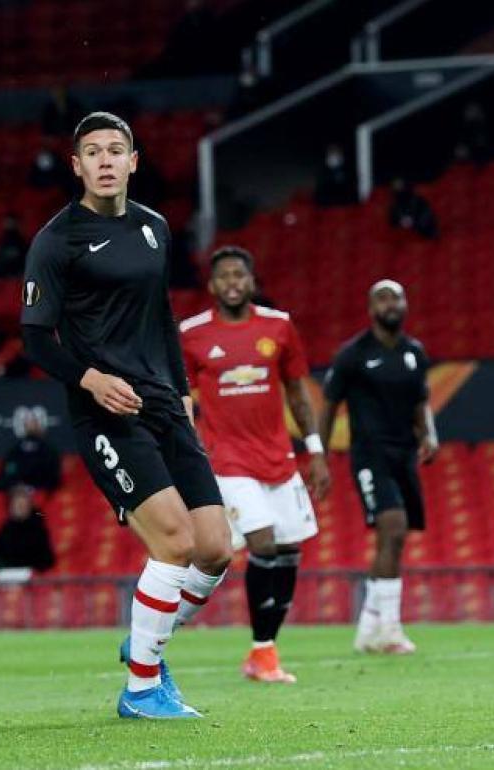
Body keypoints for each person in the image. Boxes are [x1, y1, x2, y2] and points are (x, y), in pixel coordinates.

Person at [20, 112, 231, 719]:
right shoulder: (57, 240)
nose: (106, 160)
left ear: (134, 161)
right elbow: (36, 338)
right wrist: (91, 379)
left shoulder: (155, 229)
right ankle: (141, 688)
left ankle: (147, 638)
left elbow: (161, 318)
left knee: (215, 549)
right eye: (94, 152)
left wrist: (184, 394)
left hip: (164, 402)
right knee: (174, 540)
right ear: (78, 165)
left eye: (117, 150)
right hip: (104, 410)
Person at [179, 246, 329, 683]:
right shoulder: (191, 334)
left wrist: (316, 449)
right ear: (211, 285)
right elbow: (182, 399)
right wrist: (190, 451)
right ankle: (261, 654)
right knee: (262, 544)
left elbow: (299, 392)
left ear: (251, 281)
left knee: (289, 551)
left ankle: (263, 651)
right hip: (227, 460)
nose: (231, 283)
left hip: (279, 458)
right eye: (223, 276)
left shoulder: (279, 326)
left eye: (238, 276)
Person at [319, 280, 437, 654]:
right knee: (394, 528)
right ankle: (390, 630)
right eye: (382, 298)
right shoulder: (353, 354)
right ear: (370, 309)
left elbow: (421, 401)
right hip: (370, 455)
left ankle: (368, 628)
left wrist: (429, 435)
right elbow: (328, 407)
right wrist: (318, 456)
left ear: (405, 304)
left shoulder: (414, 352)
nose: (390, 303)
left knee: (394, 538)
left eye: (396, 297)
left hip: (404, 453)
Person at [0, 485, 55, 573]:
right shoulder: (6, 528)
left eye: (22, 505)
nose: (19, 508)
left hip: (30, 574)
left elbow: (46, 559)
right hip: (7, 574)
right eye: (16, 505)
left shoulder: (38, 527)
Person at [0, 413, 61, 493]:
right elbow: (9, 466)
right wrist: (13, 476)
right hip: (17, 483)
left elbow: (52, 471)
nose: (31, 426)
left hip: (40, 484)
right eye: (28, 424)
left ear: (40, 426)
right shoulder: (17, 447)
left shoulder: (48, 448)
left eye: (34, 423)